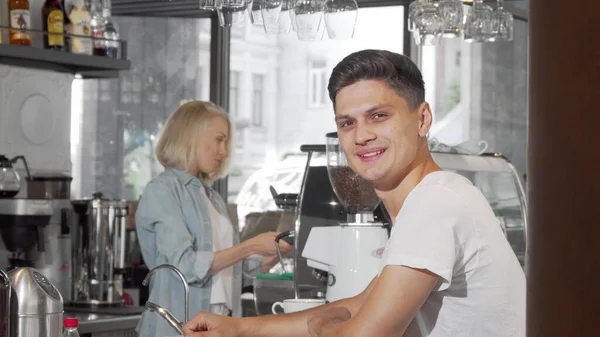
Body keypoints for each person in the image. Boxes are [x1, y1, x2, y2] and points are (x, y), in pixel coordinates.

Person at [182, 50, 526, 337]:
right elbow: (359, 305)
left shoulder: (434, 202)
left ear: (422, 119)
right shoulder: (431, 199)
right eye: (347, 123)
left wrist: (323, 323)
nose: (361, 136)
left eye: (378, 116)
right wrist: (237, 328)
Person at [135, 101, 292, 337]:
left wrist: (271, 255)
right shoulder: (162, 190)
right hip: (178, 325)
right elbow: (184, 265)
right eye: (219, 140)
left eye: (226, 142)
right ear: (191, 137)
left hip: (220, 322)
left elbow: (230, 271)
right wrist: (250, 246)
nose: (224, 152)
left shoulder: (212, 197)